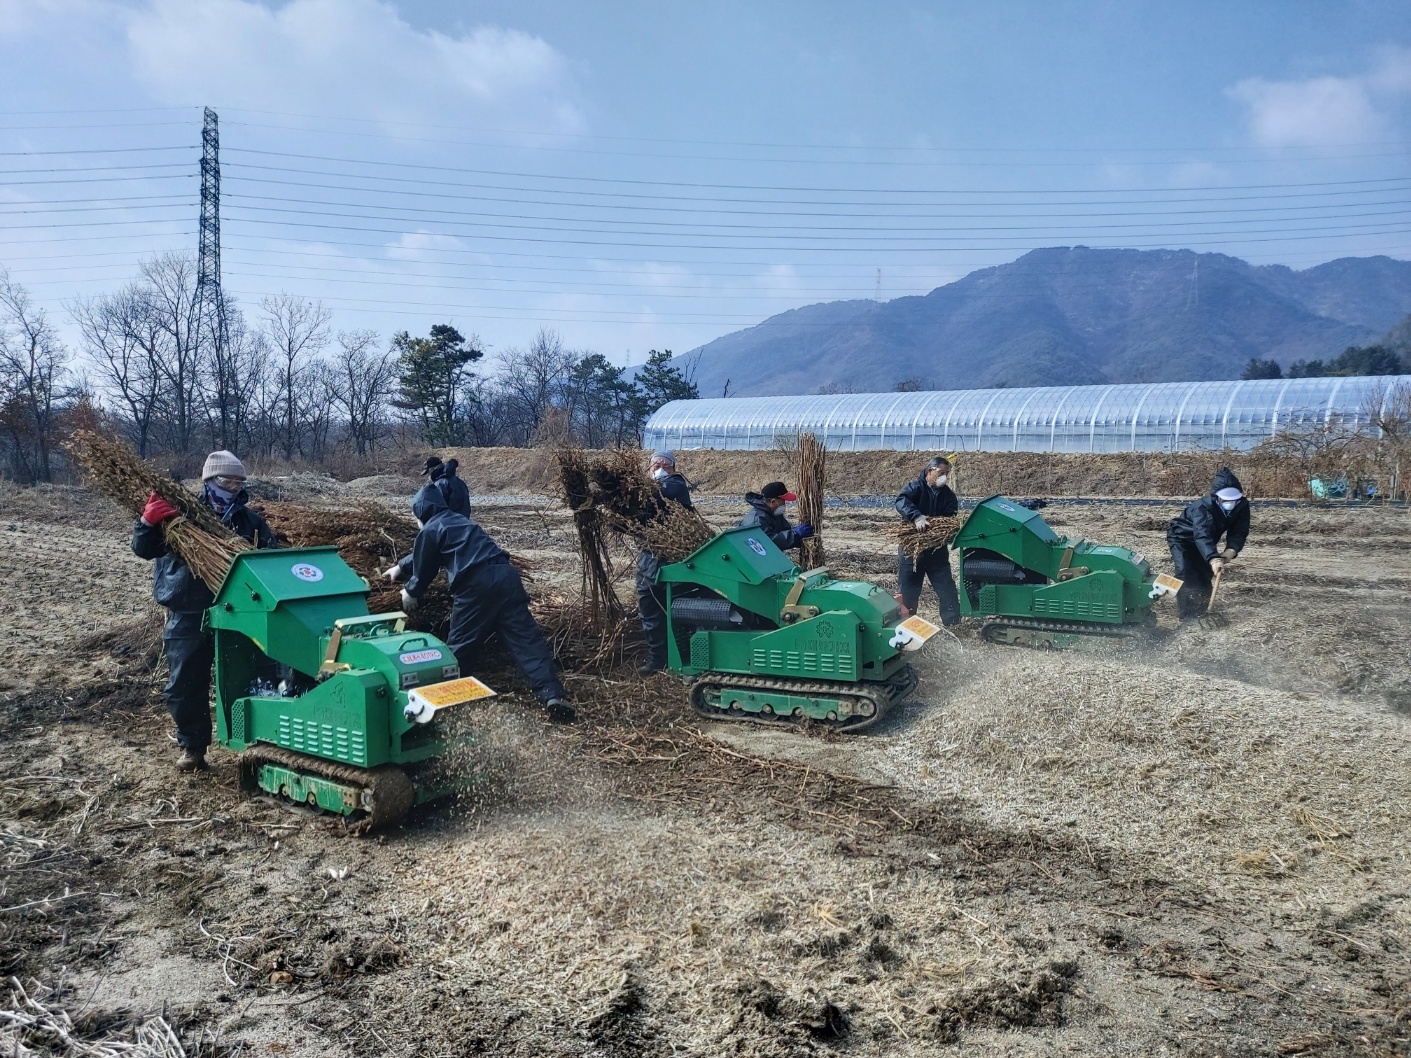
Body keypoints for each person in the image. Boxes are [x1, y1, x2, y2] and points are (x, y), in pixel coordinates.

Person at [132, 450, 277, 772]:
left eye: (240, 482)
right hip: (189, 609)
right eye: (227, 480)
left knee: (251, 676)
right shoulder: (178, 516)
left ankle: (254, 741)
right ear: (209, 481)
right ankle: (193, 747)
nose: (234, 487)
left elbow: (270, 558)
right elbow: (143, 549)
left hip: (237, 611)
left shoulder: (249, 521)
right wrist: (147, 522)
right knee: (185, 683)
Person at [389, 483, 575, 723]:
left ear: (422, 512)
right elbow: (427, 553)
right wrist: (400, 567)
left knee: (461, 645)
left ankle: (445, 707)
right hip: (506, 577)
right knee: (526, 640)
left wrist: (411, 591)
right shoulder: (459, 520)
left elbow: (425, 563)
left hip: (476, 585)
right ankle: (552, 694)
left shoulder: (430, 529)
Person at [1166, 467, 1250, 622]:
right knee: (1186, 573)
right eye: (1226, 500)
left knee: (1204, 574)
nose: (1230, 503)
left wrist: (1231, 551)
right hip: (1182, 539)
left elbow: (1239, 531)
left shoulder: (1242, 506)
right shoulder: (1203, 508)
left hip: (1206, 541)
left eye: (1234, 500)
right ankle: (1187, 616)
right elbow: (1202, 534)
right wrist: (1213, 557)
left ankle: (1201, 608)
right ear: (1216, 498)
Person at [637, 450, 694, 676]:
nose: (659, 469)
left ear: (673, 469)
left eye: (665, 465)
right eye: (654, 465)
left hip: (670, 556)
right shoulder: (644, 493)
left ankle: (680, 657)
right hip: (649, 556)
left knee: (673, 607)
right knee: (650, 610)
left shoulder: (676, 484)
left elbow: (664, 493)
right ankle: (658, 659)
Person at [894, 456, 961, 626]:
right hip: (913, 550)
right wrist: (916, 517)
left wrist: (940, 529)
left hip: (936, 550)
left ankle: (953, 624)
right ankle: (906, 625)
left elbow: (949, 517)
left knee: (947, 589)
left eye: (947, 473)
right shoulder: (915, 488)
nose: (944, 477)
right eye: (941, 473)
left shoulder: (949, 496)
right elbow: (901, 501)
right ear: (930, 471)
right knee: (908, 592)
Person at [738, 481, 813, 552]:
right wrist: (795, 535)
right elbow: (767, 543)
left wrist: (797, 534)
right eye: (783, 501)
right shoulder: (757, 519)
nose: (784, 504)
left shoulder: (774, 514)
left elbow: (783, 530)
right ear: (773, 501)